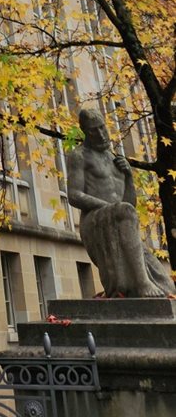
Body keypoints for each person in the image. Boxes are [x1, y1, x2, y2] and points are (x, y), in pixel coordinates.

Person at [65, 106, 173, 298]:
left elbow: (129, 205)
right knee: (123, 211)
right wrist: (109, 207)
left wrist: (129, 177)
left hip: (120, 219)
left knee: (167, 288)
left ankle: (147, 283)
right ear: (85, 132)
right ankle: (142, 283)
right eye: (93, 130)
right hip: (95, 220)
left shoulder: (113, 158)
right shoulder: (79, 156)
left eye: (102, 127)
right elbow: (74, 195)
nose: (100, 133)